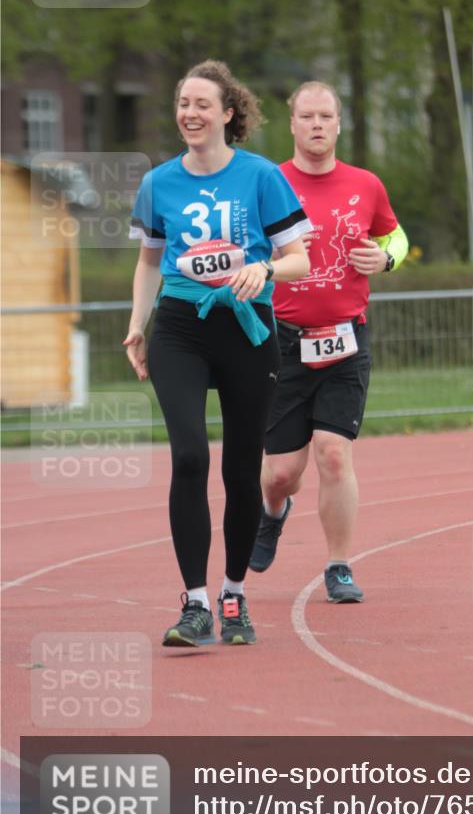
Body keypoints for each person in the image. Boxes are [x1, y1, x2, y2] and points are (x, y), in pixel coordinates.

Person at [123, 60, 311, 648]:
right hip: (180, 327)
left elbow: (299, 258)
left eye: (203, 103)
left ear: (228, 113)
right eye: (183, 103)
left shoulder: (260, 177)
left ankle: (233, 593)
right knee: (187, 457)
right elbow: (150, 262)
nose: (190, 113)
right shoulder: (158, 183)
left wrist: (263, 267)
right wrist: (137, 325)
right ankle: (194, 604)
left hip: (248, 328)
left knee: (239, 467)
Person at [248, 81, 408, 602]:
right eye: (307, 116)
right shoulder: (267, 183)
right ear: (291, 124)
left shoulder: (366, 184)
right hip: (282, 344)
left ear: (339, 124)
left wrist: (386, 259)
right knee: (279, 473)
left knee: (334, 454)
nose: (317, 125)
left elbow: (396, 235)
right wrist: (283, 251)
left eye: (326, 116)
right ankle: (273, 513)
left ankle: (339, 566)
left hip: (345, 339)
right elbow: (242, 249)